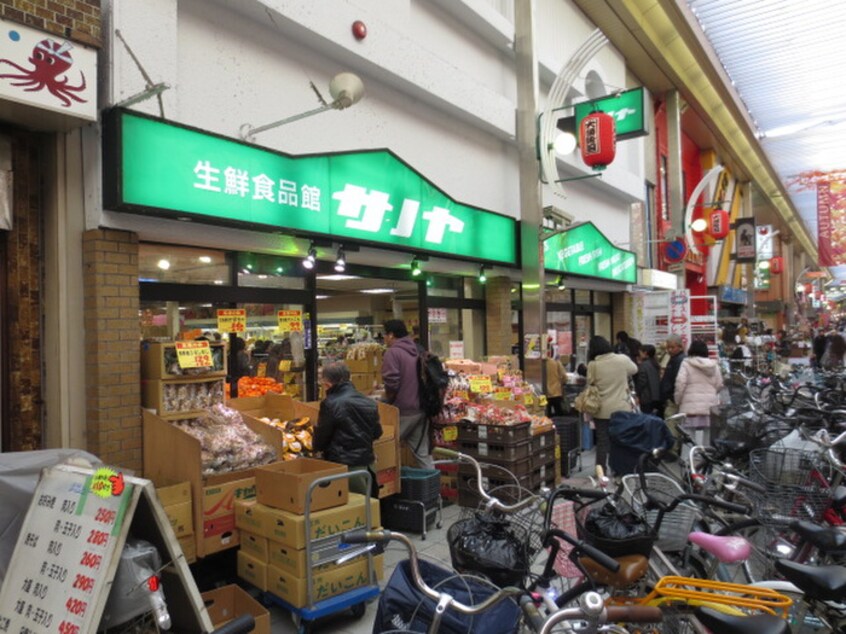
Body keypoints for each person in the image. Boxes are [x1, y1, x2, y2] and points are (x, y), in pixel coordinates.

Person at [313, 361, 382, 496]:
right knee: (368, 507)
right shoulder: (369, 402)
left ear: (327, 384)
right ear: (349, 378)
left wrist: (315, 449)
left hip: (345, 468)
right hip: (368, 466)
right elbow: (377, 432)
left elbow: (322, 437)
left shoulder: (330, 404)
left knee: (351, 508)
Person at [381, 319, 434, 469]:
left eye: (384, 334)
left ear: (391, 335)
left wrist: (385, 400)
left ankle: (387, 489)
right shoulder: (418, 349)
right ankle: (433, 490)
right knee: (423, 454)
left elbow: (391, 382)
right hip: (421, 408)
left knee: (385, 449)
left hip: (402, 410)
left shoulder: (393, 353)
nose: (384, 338)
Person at [585, 335, 638, 473]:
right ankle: (621, 468)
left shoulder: (593, 364)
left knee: (602, 441)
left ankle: (601, 471)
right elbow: (634, 370)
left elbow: (589, 383)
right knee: (621, 439)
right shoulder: (622, 359)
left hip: (601, 409)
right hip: (622, 408)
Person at [675, 339, 723, 447]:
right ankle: (706, 460)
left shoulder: (686, 364)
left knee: (688, 437)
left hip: (690, 406)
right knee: (707, 437)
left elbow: (680, 384)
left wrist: (678, 400)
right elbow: (719, 384)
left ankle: (688, 461)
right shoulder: (714, 365)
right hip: (709, 407)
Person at [659, 334, 686, 418]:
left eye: (672, 347)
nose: (669, 350)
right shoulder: (674, 359)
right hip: (672, 398)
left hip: (674, 400)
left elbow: (678, 380)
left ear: (680, 346)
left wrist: (671, 397)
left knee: (671, 424)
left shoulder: (679, 360)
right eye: (668, 348)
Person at [635, 344, 661, 415]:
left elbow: (641, 382)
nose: (639, 354)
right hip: (656, 396)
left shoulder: (644, 365)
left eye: (640, 352)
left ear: (645, 353)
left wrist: (637, 394)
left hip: (646, 396)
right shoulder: (655, 364)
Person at [544, 351, 568, 417]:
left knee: (547, 415)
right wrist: (562, 383)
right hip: (556, 392)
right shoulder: (556, 363)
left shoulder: (540, 364)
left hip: (544, 394)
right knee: (559, 413)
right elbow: (564, 377)